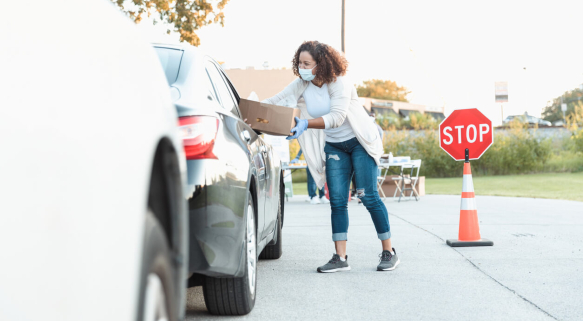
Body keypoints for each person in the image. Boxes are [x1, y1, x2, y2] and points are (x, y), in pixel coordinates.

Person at [262, 41, 399, 272]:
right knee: (337, 201)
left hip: (359, 142)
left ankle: (389, 251)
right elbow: (274, 101)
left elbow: (336, 117)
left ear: (321, 64)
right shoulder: (302, 84)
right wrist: (247, 112)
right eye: (299, 63)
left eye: (307, 63)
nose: (302, 67)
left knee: (368, 195)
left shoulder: (339, 83)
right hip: (335, 146)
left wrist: (305, 123)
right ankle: (340, 258)